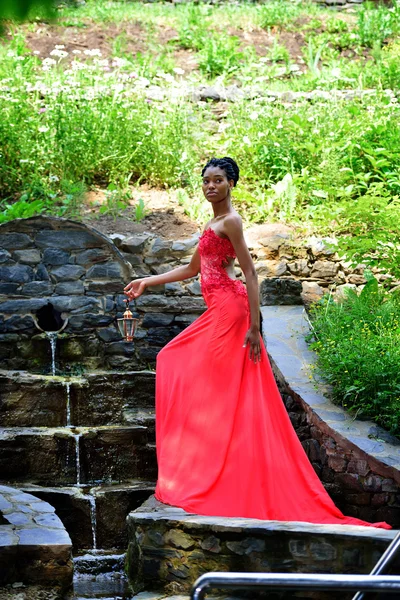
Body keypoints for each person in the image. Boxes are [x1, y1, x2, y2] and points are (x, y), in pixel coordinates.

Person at [124, 157, 391, 530]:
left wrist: (254, 324)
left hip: (231, 311)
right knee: (176, 360)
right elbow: (191, 269)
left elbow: (250, 273)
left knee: (195, 372)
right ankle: (209, 462)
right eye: (206, 181)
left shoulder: (231, 221)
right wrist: (144, 282)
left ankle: (215, 470)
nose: (210, 186)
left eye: (218, 180)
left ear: (231, 183)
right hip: (217, 311)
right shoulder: (211, 223)